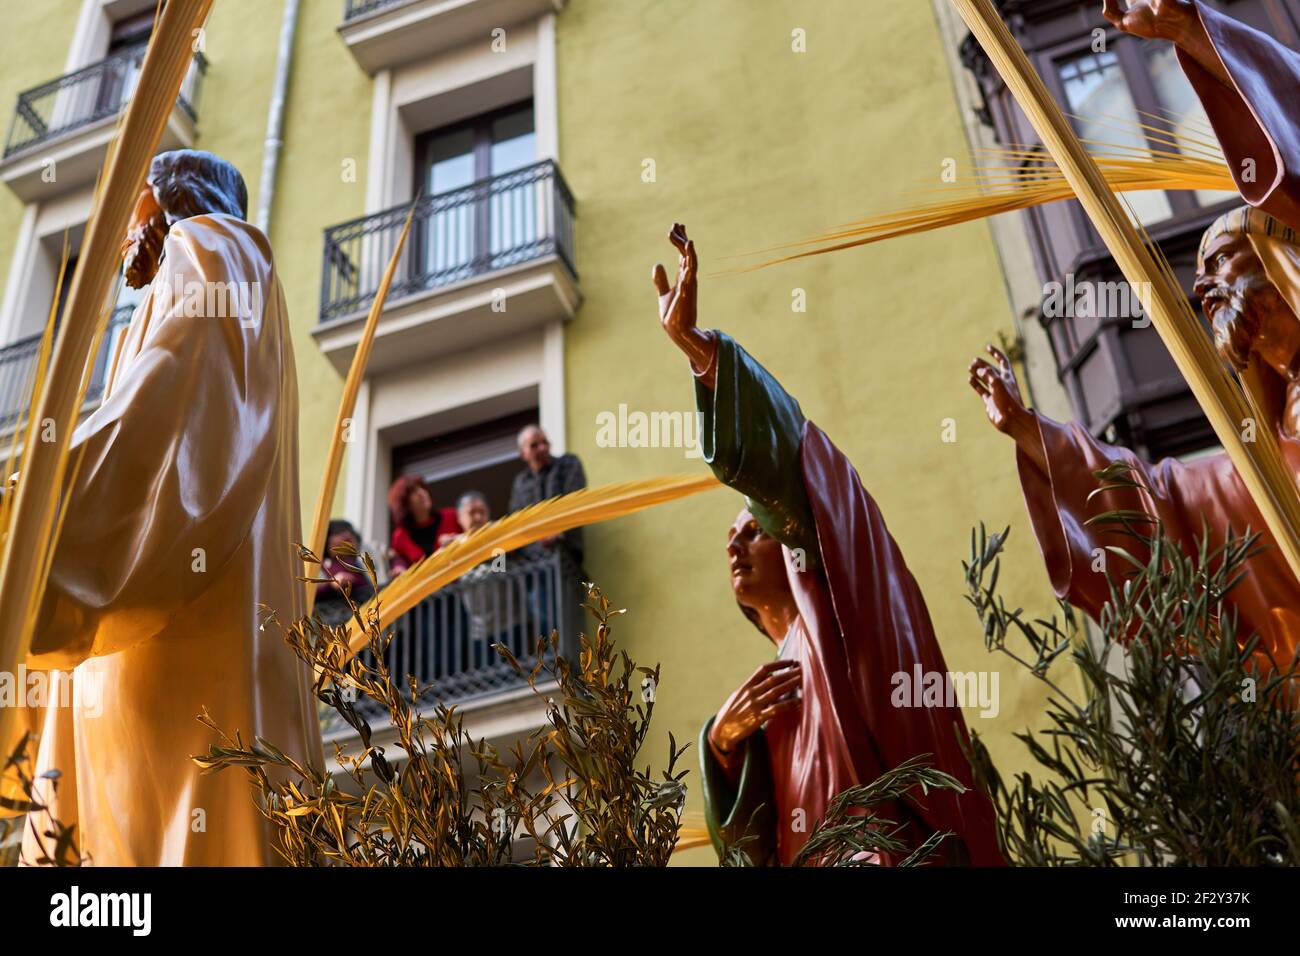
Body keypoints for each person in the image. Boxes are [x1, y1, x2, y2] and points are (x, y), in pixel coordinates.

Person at [1, 149, 323, 866]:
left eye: (132, 207)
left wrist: (31, 518)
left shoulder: (214, 249)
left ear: (167, 198)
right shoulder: (173, 294)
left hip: (175, 637)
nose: (121, 235)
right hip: (142, 645)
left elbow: (167, 420)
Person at [655, 224, 1003, 867]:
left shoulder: (837, 609)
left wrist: (702, 355)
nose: (737, 546)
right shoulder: (760, 696)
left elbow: (792, 469)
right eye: (730, 538)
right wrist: (723, 746)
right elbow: (751, 853)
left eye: (752, 530)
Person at [969, 1, 1300, 671]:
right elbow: (1168, 509)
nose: (1210, 296)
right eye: (1203, 288)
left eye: (1234, 268)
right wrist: (1038, 438)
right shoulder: (1270, 457)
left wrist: (1192, 33)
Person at [507, 425, 587, 571]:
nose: (542, 448)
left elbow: (576, 501)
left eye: (545, 442)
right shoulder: (521, 482)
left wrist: (558, 529)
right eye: (534, 445)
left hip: (566, 556)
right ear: (523, 454)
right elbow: (516, 520)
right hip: (534, 564)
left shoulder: (568, 464)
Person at [387, 474, 459, 574]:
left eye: (422, 488)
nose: (422, 493)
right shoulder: (400, 536)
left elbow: (472, 537)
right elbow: (399, 562)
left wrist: (458, 540)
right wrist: (400, 568)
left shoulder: (452, 516)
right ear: (404, 503)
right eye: (414, 492)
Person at [314, 519, 375, 626]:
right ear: (325, 540)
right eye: (339, 532)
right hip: (339, 624)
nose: (347, 535)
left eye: (351, 532)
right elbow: (308, 595)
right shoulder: (317, 567)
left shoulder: (366, 561)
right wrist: (331, 585)